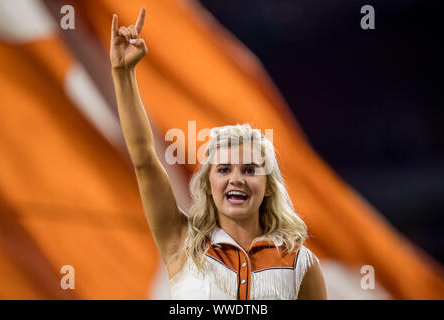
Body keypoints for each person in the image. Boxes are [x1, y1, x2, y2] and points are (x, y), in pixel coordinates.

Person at [110, 7, 327, 300]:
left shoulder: (301, 264)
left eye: (249, 170)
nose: (236, 179)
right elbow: (145, 160)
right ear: (208, 184)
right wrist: (123, 74)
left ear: (269, 187)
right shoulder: (181, 242)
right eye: (224, 170)